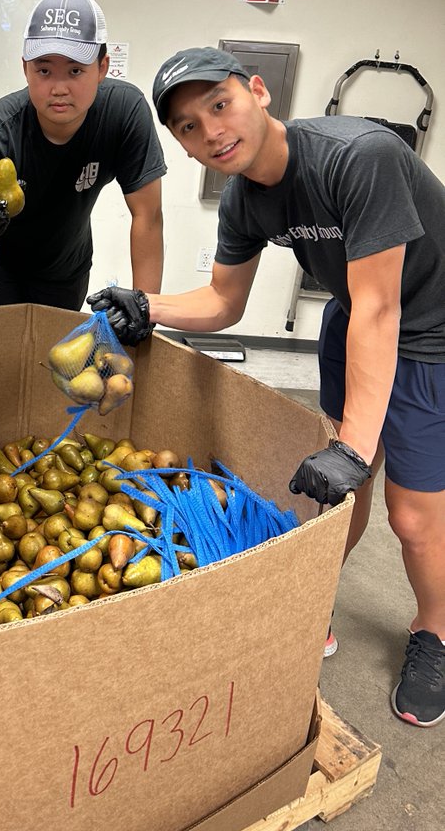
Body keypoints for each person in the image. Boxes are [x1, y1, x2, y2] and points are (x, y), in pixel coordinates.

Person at [90, 45, 445, 729]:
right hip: (356, 312)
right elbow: (225, 304)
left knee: (411, 515)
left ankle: (434, 632)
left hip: (430, 328)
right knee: (346, 492)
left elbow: (384, 309)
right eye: (188, 127)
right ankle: (313, 602)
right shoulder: (248, 200)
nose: (211, 131)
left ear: (258, 91)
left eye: (219, 105)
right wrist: (146, 305)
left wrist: (355, 445)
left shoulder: (356, 156)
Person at [0, 0, 165, 315]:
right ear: (25, 68)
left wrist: (146, 308)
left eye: (76, 70)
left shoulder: (123, 113)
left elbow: (147, 217)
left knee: (49, 359)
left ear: (103, 67)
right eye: (44, 70)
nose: (59, 88)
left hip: (65, 267)